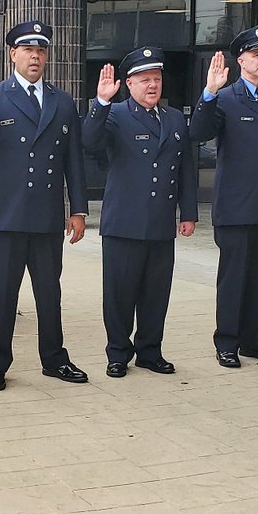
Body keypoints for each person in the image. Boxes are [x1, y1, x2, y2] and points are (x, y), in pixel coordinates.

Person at [0, 20, 89, 391]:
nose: (35, 56)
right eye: (28, 50)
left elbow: (73, 161)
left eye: (41, 50)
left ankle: (54, 359)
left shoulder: (62, 102)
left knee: (50, 293)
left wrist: (78, 209)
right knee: (1, 295)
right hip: (4, 218)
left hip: (46, 219)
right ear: (13, 53)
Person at [81, 46, 198, 378]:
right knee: (120, 293)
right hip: (124, 223)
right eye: (144, 79)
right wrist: (101, 102)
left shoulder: (174, 117)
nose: (152, 85)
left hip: (160, 223)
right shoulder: (115, 114)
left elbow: (185, 167)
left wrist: (187, 212)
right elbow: (88, 141)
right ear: (129, 84)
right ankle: (118, 353)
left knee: (155, 293)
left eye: (157, 79)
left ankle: (150, 351)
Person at [191, 27, 258, 368]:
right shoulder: (225, 98)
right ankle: (227, 342)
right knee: (234, 276)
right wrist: (208, 92)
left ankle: (252, 338)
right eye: (255, 55)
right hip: (236, 207)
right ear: (241, 61)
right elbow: (199, 132)